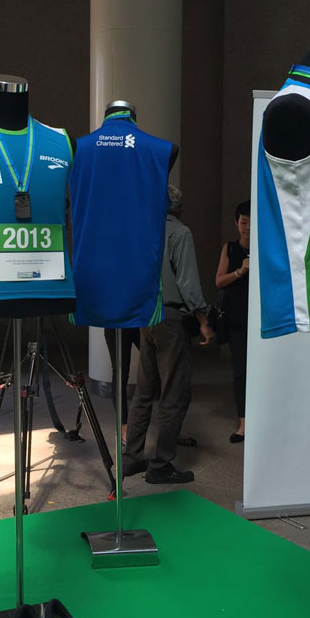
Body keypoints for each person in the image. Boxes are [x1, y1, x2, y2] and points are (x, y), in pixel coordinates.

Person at [123, 185, 215, 484]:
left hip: (146, 316)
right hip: (171, 319)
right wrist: (203, 319)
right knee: (174, 393)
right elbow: (188, 282)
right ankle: (160, 465)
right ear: (178, 207)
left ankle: (132, 457)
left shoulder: (144, 232)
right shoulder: (180, 233)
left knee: (144, 392)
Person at [215, 201, 250, 442]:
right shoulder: (229, 248)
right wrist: (240, 271)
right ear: (236, 223)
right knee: (240, 371)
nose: (247, 227)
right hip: (236, 318)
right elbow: (218, 281)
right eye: (243, 222)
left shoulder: (264, 247)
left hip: (260, 318)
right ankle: (243, 424)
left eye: (250, 222)